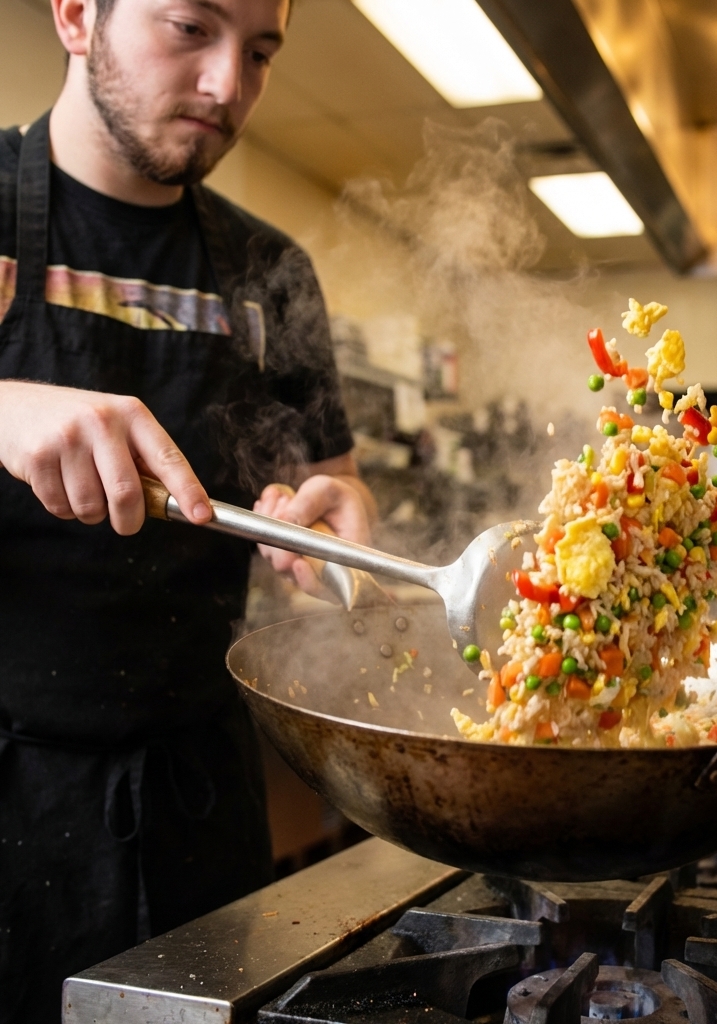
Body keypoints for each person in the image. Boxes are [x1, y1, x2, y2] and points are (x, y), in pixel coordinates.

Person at [0, 0, 374, 1018]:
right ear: (78, 15)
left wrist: (333, 529)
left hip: (203, 797)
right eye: (190, 30)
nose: (229, 87)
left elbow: (334, 498)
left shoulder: (273, 276)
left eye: (259, 52)